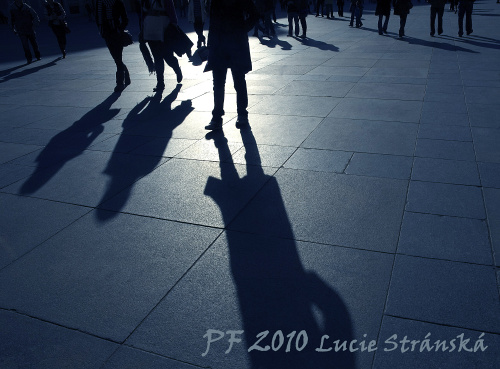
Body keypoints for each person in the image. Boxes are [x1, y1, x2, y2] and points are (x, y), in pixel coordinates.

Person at [204, 0, 259, 130]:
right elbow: (212, 19)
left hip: (236, 44)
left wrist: (241, 29)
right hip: (218, 44)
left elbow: (255, 14)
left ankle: (242, 114)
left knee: (238, 81)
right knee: (217, 83)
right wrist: (210, 41)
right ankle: (216, 117)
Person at [141, 0, 182, 91]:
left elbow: (171, 10)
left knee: (168, 57)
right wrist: (142, 29)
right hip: (150, 30)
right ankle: (160, 83)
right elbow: (143, 13)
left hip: (164, 29)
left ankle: (177, 69)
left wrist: (174, 25)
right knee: (157, 58)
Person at [96, 0, 130, 92]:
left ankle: (120, 83)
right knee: (116, 58)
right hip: (106, 33)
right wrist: (101, 30)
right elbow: (98, 18)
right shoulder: (99, 3)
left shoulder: (118, 2)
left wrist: (120, 29)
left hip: (116, 33)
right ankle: (126, 76)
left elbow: (125, 19)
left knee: (118, 57)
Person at [10, 0, 41, 64]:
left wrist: (34, 25)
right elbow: (10, 19)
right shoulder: (12, 8)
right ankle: (29, 58)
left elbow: (35, 15)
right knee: (25, 45)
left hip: (30, 28)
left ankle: (37, 55)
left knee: (34, 43)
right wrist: (13, 29)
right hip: (20, 30)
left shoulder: (26, 6)